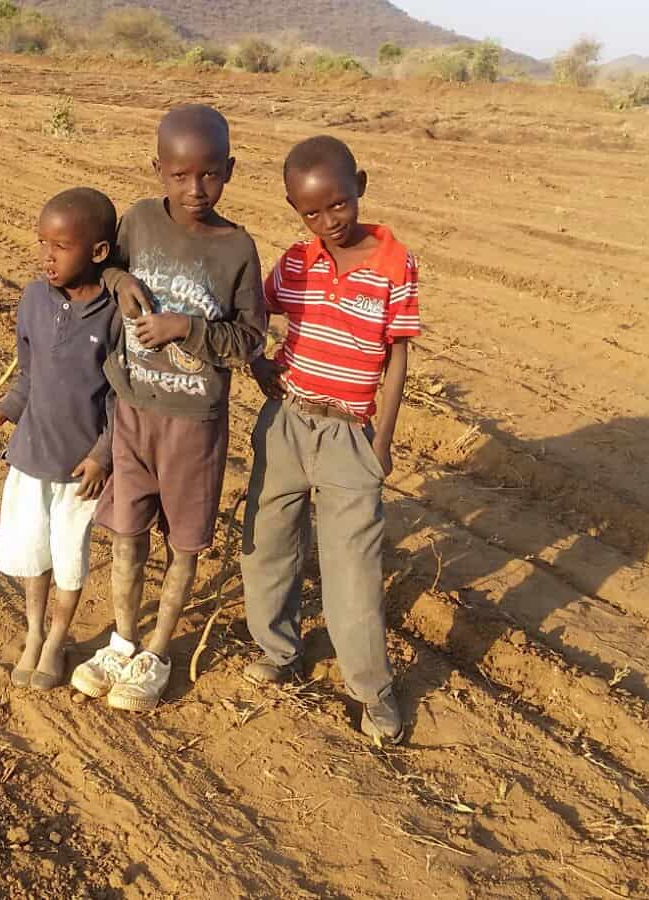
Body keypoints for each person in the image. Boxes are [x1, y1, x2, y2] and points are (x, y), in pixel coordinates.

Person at [70, 104, 267, 711]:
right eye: (179, 175)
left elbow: (250, 340)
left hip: (193, 426)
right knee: (126, 536)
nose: (195, 188)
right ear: (158, 169)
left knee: (184, 544)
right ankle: (122, 642)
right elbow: (104, 267)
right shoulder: (139, 222)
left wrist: (188, 327)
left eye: (209, 174)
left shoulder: (237, 249)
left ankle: (157, 653)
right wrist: (116, 281)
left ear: (229, 170)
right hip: (132, 414)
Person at [241, 135, 420, 742]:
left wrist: (383, 441)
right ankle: (278, 651)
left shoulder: (396, 264)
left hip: (350, 433)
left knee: (353, 569)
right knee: (267, 541)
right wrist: (259, 363)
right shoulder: (295, 261)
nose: (328, 222)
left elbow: (396, 357)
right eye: (311, 212)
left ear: (360, 186)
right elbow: (256, 313)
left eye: (338, 205)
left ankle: (372, 691)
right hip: (286, 419)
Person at [0, 187, 121, 690]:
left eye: (61, 246)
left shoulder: (115, 315)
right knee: (34, 552)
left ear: (98, 253)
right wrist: (0, 413)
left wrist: (102, 455)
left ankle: (58, 638)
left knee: (69, 556)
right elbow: (28, 378)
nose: (47, 257)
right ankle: (33, 633)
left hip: (79, 471)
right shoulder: (34, 298)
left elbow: (122, 399)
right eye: (42, 244)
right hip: (31, 456)